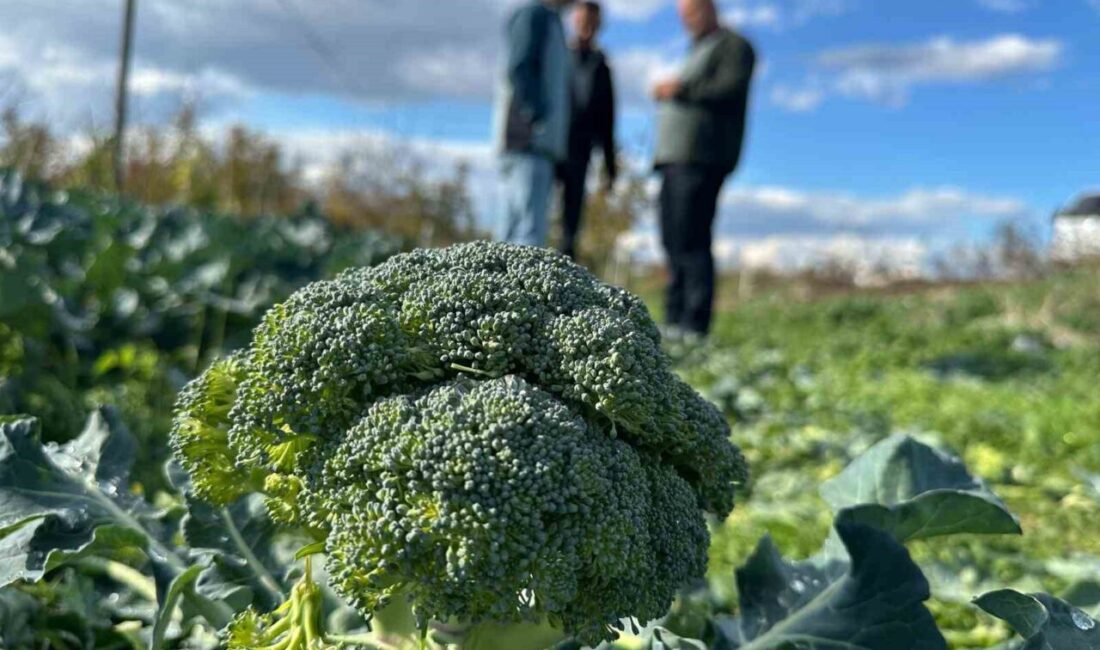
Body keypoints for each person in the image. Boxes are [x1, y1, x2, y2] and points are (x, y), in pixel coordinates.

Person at [652, 0, 756, 338]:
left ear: (710, 9)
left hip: (702, 159)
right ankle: (673, 320)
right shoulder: (695, 49)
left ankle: (694, 326)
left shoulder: (734, 47)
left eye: (693, 13)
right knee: (671, 240)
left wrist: (680, 89)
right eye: (684, 17)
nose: (688, 22)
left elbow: (728, 89)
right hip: (674, 159)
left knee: (692, 239)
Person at [495, 0, 576, 247]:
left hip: (539, 145)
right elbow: (520, 67)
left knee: (515, 229)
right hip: (528, 142)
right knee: (526, 232)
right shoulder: (535, 16)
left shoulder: (552, 22)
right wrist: (537, 116)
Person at [557, 1, 617, 261]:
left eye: (592, 22)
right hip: (551, 144)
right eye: (582, 21)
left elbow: (607, 118)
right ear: (574, 21)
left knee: (571, 220)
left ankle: (563, 268)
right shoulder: (558, 56)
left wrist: (610, 166)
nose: (586, 27)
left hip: (580, 150)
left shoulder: (601, 66)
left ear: (599, 25)